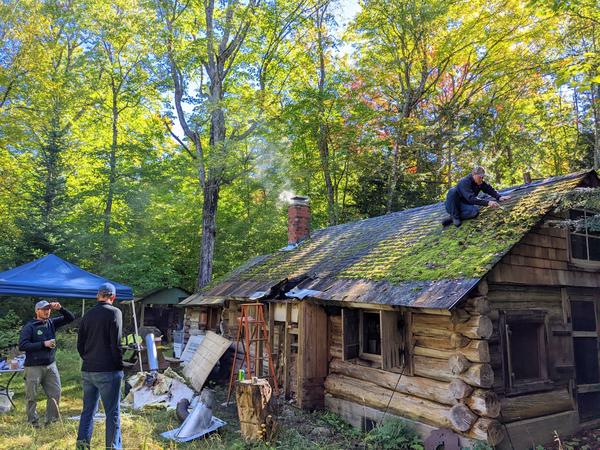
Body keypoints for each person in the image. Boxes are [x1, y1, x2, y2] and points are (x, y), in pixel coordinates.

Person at [76, 283, 123, 450]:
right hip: (108, 370)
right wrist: (119, 366)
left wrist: (88, 359)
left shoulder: (87, 315)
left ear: (98, 296)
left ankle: (82, 447)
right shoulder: (115, 312)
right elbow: (115, 343)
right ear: (113, 297)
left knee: (87, 412)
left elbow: (80, 344)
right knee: (112, 413)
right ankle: (113, 448)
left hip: (88, 369)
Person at [18, 299, 75, 427]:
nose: (47, 311)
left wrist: (60, 308)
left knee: (55, 393)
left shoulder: (51, 323)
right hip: (33, 367)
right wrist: (43, 344)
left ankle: (51, 421)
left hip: (50, 365)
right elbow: (22, 345)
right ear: (37, 311)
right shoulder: (29, 326)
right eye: (44, 309)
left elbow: (70, 318)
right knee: (31, 396)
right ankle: (33, 422)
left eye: (48, 309)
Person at [442, 166, 511, 227]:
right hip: (452, 205)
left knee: (474, 211)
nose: (482, 178)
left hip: (464, 206)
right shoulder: (464, 182)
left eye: (483, 177)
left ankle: (452, 218)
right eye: (480, 177)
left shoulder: (480, 182)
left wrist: (499, 197)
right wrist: (488, 203)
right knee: (452, 191)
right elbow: (471, 199)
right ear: (474, 175)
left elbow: (489, 189)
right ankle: (455, 216)